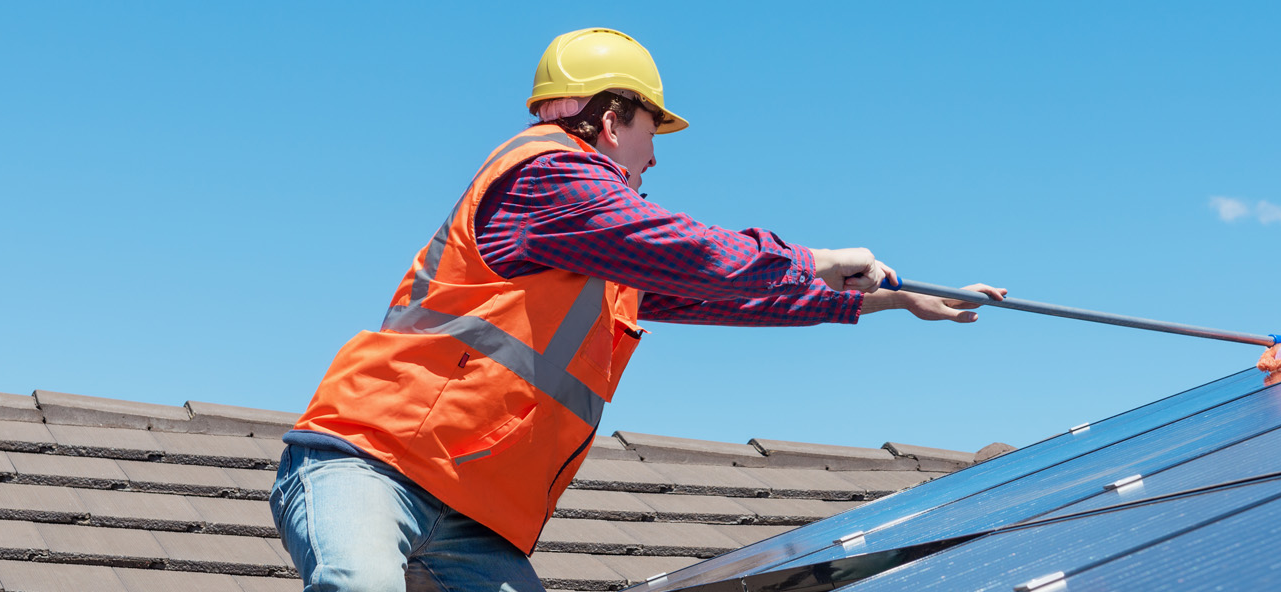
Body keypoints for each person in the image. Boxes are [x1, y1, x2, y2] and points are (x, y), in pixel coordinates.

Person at [270, 27, 1007, 592]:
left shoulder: (598, 249)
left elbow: (726, 292)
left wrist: (888, 300)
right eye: (653, 130)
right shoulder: (547, 177)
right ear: (612, 116)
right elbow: (694, 252)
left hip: (473, 514)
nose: (655, 155)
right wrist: (815, 254)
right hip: (370, 463)